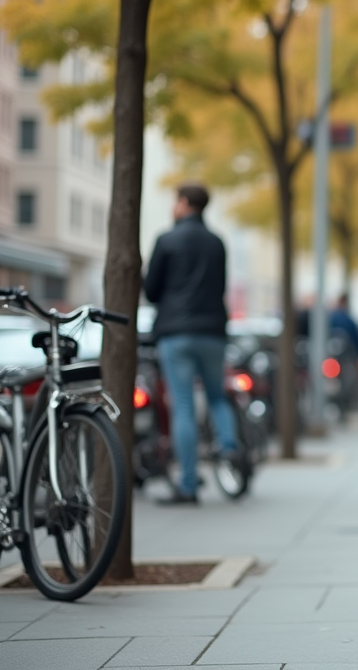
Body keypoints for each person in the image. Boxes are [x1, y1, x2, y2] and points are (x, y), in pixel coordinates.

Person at [143, 183, 240, 505]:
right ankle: (228, 446)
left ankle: (188, 484)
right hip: (212, 331)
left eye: (175, 201)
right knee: (217, 396)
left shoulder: (166, 240)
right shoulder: (217, 243)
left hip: (177, 333)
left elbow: (152, 290)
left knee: (182, 405)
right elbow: (221, 285)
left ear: (184, 204)